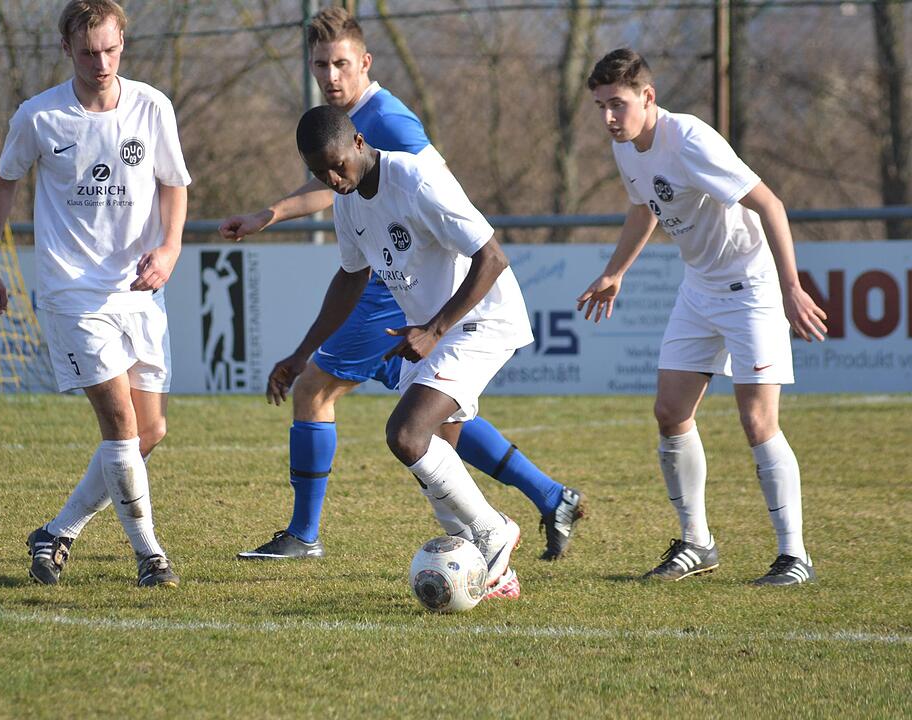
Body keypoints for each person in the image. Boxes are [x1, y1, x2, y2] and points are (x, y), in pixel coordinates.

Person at [220, 6, 584, 565]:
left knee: (389, 423)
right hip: (414, 295)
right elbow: (348, 254)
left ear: (364, 63)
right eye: (321, 65)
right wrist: (298, 345)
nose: (331, 76)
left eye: (341, 63)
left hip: (461, 307)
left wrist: (433, 328)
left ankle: (480, 532)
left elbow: (471, 240)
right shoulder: (344, 175)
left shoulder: (391, 131)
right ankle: (532, 513)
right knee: (440, 437)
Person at [577, 48, 828, 586]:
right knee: (670, 411)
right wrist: (616, 270)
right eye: (599, 106)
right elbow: (644, 207)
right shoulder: (627, 147)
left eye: (617, 104)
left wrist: (790, 288)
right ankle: (697, 543)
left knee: (757, 422)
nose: (608, 118)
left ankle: (794, 555)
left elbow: (771, 205)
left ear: (648, 97)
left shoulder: (689, 138)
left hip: (752, 288)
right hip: (699, 288)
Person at [0, 0, 191, 588]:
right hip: (72, 292)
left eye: (111, 49)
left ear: (124, 44)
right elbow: (3, 184)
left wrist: (169, 248)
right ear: (66, 49)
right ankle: (150, 555)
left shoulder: (152, 106)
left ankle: (58, 532)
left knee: (151, 432)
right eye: (89, 51)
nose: (102, 62)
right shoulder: (39, 117)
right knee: (119, 424)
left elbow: (174, 183)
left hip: (141, 290)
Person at [284, 104, 530, 595]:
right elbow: (351, 278)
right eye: (319, 173)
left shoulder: (416, 181)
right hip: (436, 328)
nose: (332, 178)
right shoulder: (349, 201)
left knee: (406, 435)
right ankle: (489, 571)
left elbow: (493, 257)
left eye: (337, 165)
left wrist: (435, 329)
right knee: (438, 462)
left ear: (358, 142)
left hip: (481, 320)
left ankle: (494, 532)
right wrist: (303, 352)